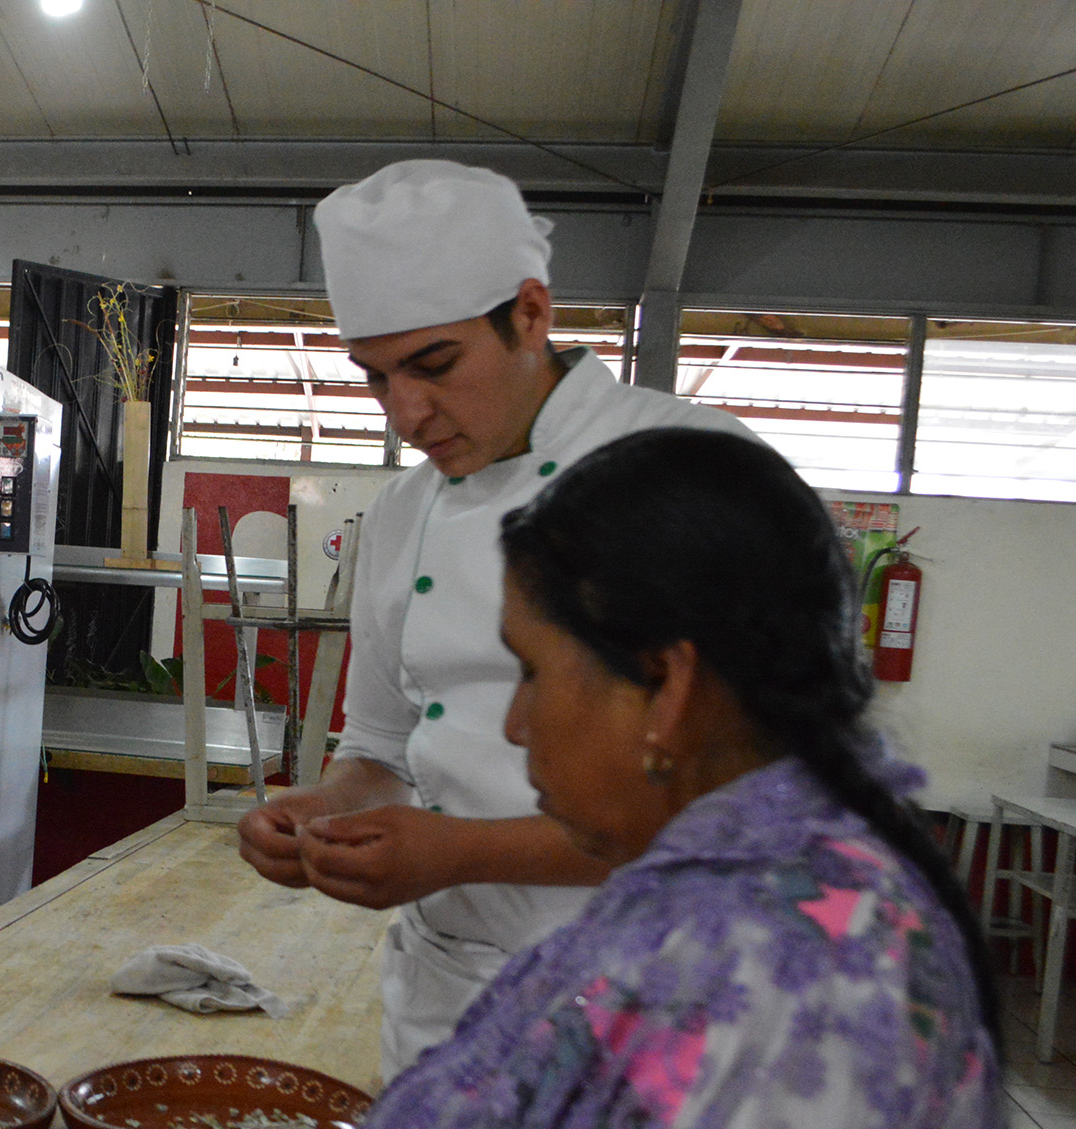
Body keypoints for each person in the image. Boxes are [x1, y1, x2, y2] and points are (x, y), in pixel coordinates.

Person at [155, 429, 1003, 1129]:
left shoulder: (769, 962)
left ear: (667, 688)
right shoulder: (732, 872)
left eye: (532, 670)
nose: (512, 724)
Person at [238, 160, 756, 1078]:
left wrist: (459, 852)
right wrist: (314, 814)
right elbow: (383, 749)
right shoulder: (403, 512)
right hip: (448, 997)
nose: (407, 413)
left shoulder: (696, 470)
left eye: (435, 365)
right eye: (376, 378)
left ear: (530, 312)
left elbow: (735, 805)